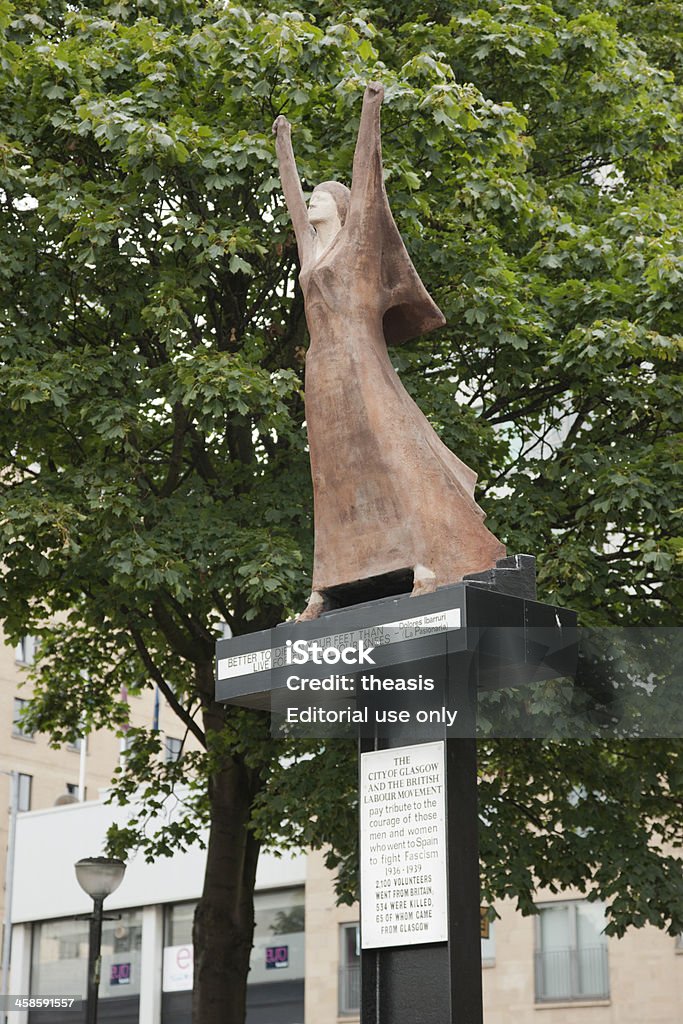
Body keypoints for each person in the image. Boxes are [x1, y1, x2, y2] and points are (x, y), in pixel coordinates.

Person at [273, 83, 505, 619]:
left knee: (395, 457)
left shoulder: (356, 245)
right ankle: (323, 589)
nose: (311, 201)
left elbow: (368, 180)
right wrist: (283, 145)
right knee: (330, 479)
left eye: (320, 196)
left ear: (340, 207)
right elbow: (289, 197)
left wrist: (370, 111)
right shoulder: (312, 248)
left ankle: (428, 562)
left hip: (360, 364)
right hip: (322, 372)